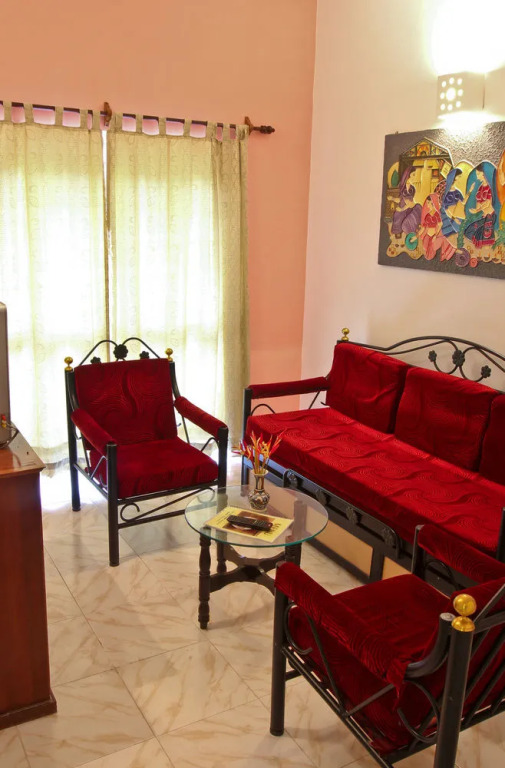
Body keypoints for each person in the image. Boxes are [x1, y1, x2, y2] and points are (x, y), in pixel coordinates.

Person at [463, 162, 497, 248]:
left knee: (475, 233)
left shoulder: (489, 187)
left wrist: (477, 210)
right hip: (483, 216)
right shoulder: (480, 187)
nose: (477, 176)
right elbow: (478, 203)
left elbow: (488, 203)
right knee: (469, 231)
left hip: (490, 216)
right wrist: (476, 210)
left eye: (478, 174)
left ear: (484, 174)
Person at [418, 193, 456, 261]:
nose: (427, 205)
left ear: (433, 203)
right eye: (427, 203)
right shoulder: (427, 215)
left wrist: (435, 235)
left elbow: (440, 225)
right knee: (424, 246)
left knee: (434, 245)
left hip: (435, 235)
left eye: (428, 203)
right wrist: (416, 236)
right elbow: (423, 228)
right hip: (428, 236)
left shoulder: (437, 214)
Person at [388, 166, 422, 237]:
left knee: (405, 216)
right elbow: (400, 200)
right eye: (413, 175)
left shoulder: (413, 188)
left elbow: (410, 203)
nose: (414, 177)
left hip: (409, 208)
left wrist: (402, 209)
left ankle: (411, 231)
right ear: (408, 175)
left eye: (415, 175)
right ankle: (398, 232)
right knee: (397, 214)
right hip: (403, 207)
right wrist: (392, 199)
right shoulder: (403, 187)